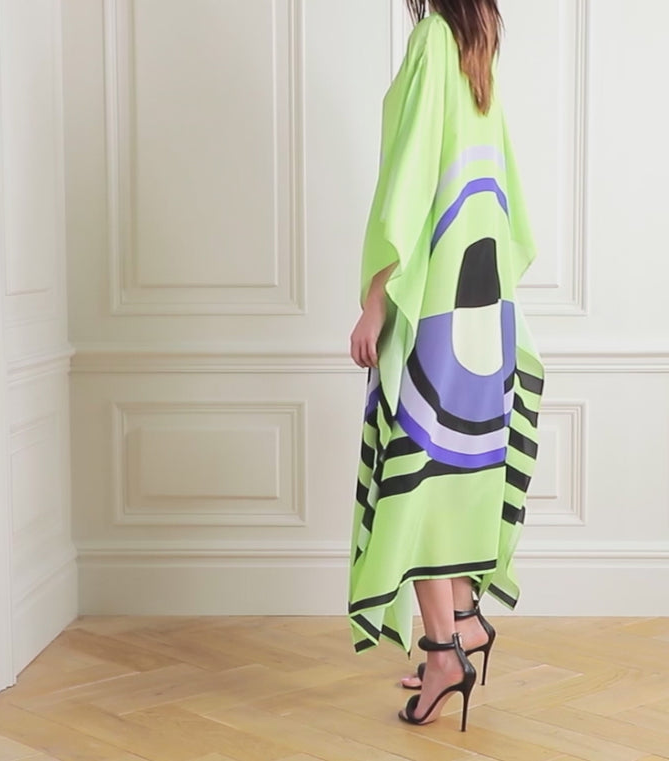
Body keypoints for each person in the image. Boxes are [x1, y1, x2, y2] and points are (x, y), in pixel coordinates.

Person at [348, 0, 544, 731]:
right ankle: (461, 621)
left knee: (418, 473)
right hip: (480, 308)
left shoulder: (434, 39)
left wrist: (376, 302)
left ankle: (442, 655)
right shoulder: (477, 44)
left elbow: (409, 182)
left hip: (435, 303)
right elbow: (500, 190)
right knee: (453, 467)